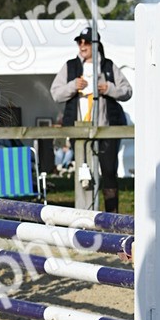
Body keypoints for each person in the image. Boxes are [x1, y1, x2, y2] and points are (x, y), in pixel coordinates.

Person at [50, 26, 132, 212]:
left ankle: (112, 216)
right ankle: (85, 214)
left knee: (109, 172)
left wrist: (109, 88)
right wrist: (73, 86)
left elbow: (128, 91)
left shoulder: (109, 65)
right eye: (80, 42)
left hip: (106, 128)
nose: (82, 45)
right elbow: (55, 93)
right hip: (80, 129)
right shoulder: (70, 66)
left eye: (86, 42)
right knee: (84, 173)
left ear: (96, 45)